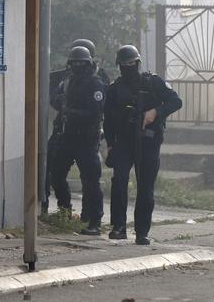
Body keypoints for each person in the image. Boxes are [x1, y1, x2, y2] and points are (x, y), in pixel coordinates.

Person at [104, 45, 182, 245]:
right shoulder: (115, 89)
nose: (128, 67)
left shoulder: (152, 82)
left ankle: (141, 232)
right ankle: (119, 227)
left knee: (145, 187)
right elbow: (108, 119)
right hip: (123, 142)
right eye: (124, 64)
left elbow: (176, 101)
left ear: (137, 63)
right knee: (119, 181)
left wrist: (155, 112)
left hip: (148, 141)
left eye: (131, 63)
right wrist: (110, 144)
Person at [43, 39, 104, 222]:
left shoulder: (95, 83)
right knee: (56, 174)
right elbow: (57, 101)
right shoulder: (67, 81)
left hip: (87, 138)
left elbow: (96, 111)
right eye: (74, 63)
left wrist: (72, 112)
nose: (77, 66)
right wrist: (61, 104)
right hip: (67, 136)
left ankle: (92, 218)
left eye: (81, 63)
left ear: (89, 63)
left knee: (90, 181)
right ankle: (65, 210)